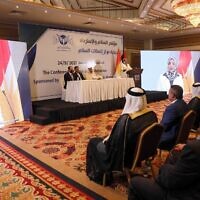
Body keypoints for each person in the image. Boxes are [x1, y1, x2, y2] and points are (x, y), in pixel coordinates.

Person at [86, 87, 158, 185]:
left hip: (126, 156)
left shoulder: (126, 119)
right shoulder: (151, 114)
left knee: (93, 142)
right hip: (144, 151)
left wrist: (106, 140)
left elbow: (114, 144)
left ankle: (99, 176)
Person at [128, 139, 200, 200]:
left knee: (135, 182)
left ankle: (159, 180)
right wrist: (186, 147)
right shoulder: (194, 147)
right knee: (174, 154)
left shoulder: (195, 148)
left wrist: (162, 167)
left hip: (181, 196)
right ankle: (159, 180)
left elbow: (171, 181)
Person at [158, 85, 188, 150]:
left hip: (170, 139)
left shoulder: (172, 109)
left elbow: (163, 127)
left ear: (173, 95)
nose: (168, 94)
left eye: (169, 92)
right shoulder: (183, 103)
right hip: (181, 135)